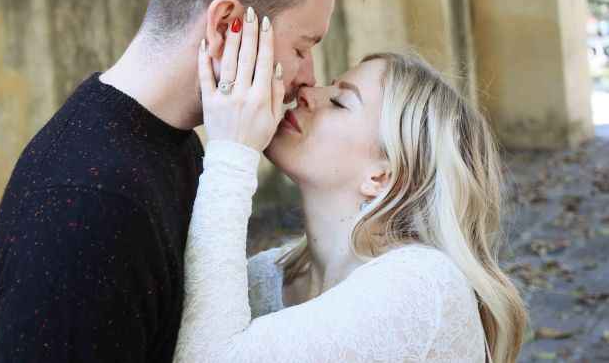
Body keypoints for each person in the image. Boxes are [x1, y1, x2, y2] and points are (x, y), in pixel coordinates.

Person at [0, 0, 367, 362]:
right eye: (301, 48)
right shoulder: (87, 204)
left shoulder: (174, 143)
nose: (309, 77)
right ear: (227, 24)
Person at [174, 20, 527, 362]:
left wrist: (231, 153)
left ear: (382, 177)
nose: (307, 93)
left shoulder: (421, 284)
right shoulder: (266, 279)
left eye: (340, 102)